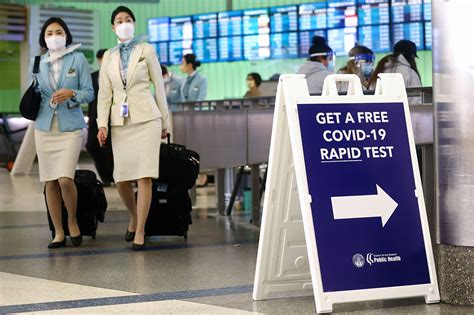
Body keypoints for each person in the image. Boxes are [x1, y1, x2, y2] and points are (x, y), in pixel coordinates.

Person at [96, 6, 169, 250]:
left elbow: (159, 87)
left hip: (147, 119)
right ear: (112, 27)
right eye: (119, 20)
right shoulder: (108, 56)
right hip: (121, 122)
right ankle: (135, 215)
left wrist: (166, 122)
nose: (124, 23)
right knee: (121, 179)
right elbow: (104, 95)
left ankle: (140, 230)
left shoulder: (146, 50)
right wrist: (101, 124)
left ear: (134, 23)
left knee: (144, 176)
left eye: (128, 19)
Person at [32, 17, 94, 248]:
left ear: (66, 35)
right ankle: (58, 231)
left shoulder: (77, 59)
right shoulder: (37, 61)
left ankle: (72, 220)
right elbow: (34, 91)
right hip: (44, 126)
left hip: (70, 127)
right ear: (44, 38)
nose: (54, 36)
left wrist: (71, 93)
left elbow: (89, 92)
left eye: (58, 32)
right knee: (50, 181)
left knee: (65, 179)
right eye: (49, 33)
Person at [86, 49, 114, 186]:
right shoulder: (92, 77)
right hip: (94, 118)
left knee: (110, 148)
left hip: (111, 117)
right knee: (91, 145)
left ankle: (113, 176)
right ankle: (106, 176)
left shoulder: (114, 76)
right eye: (101, 59)